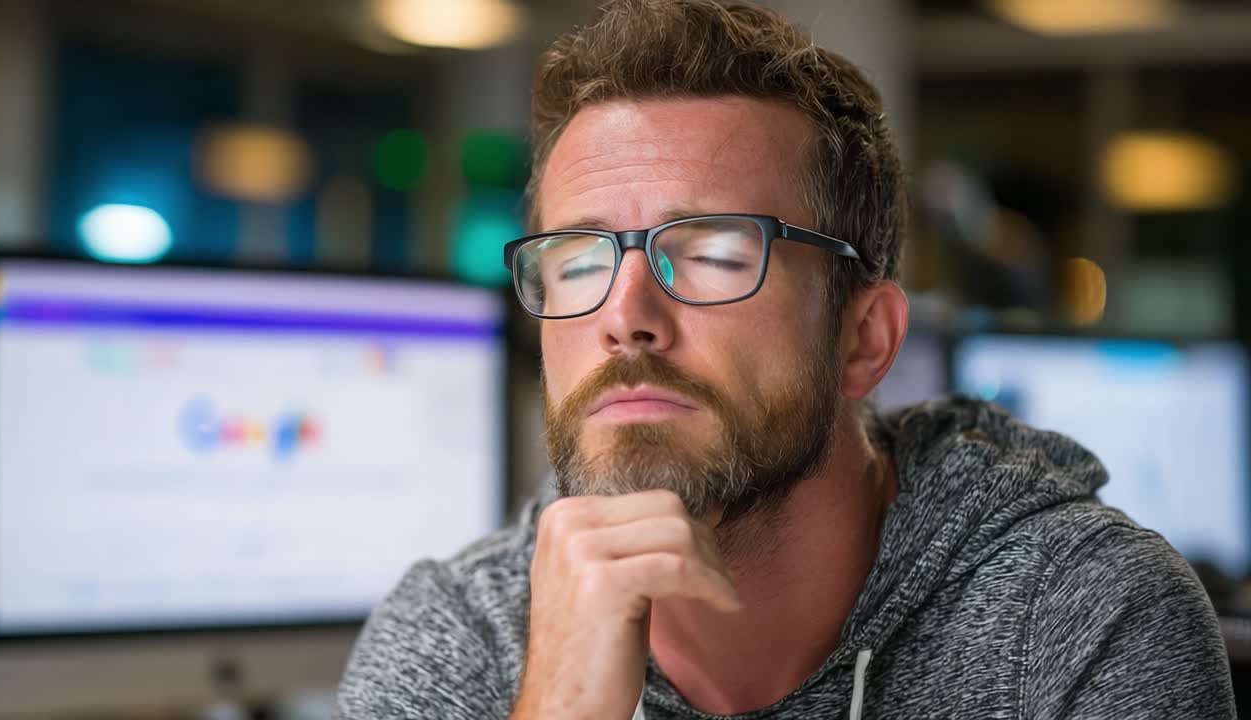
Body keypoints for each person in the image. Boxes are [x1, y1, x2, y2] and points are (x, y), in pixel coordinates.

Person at [333, 1, 1235, 717]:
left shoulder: (1079, 615)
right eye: (577, 262)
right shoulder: (461, 634)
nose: (625, 317)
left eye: (716, 255)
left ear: (864, 339)